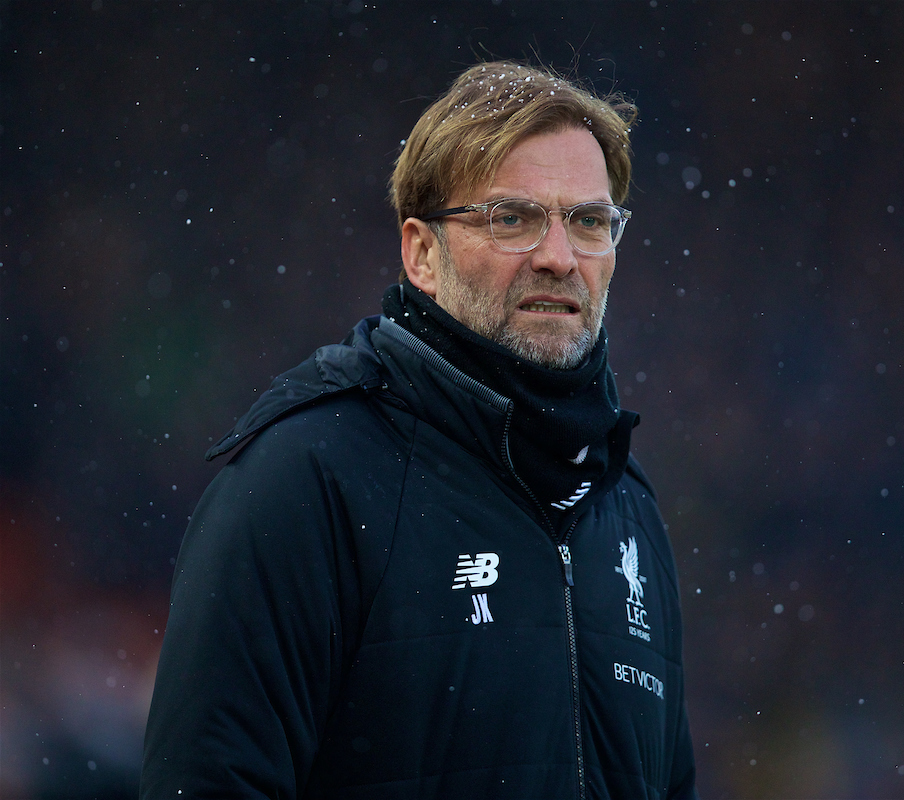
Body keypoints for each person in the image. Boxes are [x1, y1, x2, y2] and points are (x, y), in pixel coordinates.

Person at [140, 60, 697, 800]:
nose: (560, 257)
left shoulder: (625, 506)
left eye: (589, 222)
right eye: (513, 218)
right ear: (422, 253)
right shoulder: (305, 479)